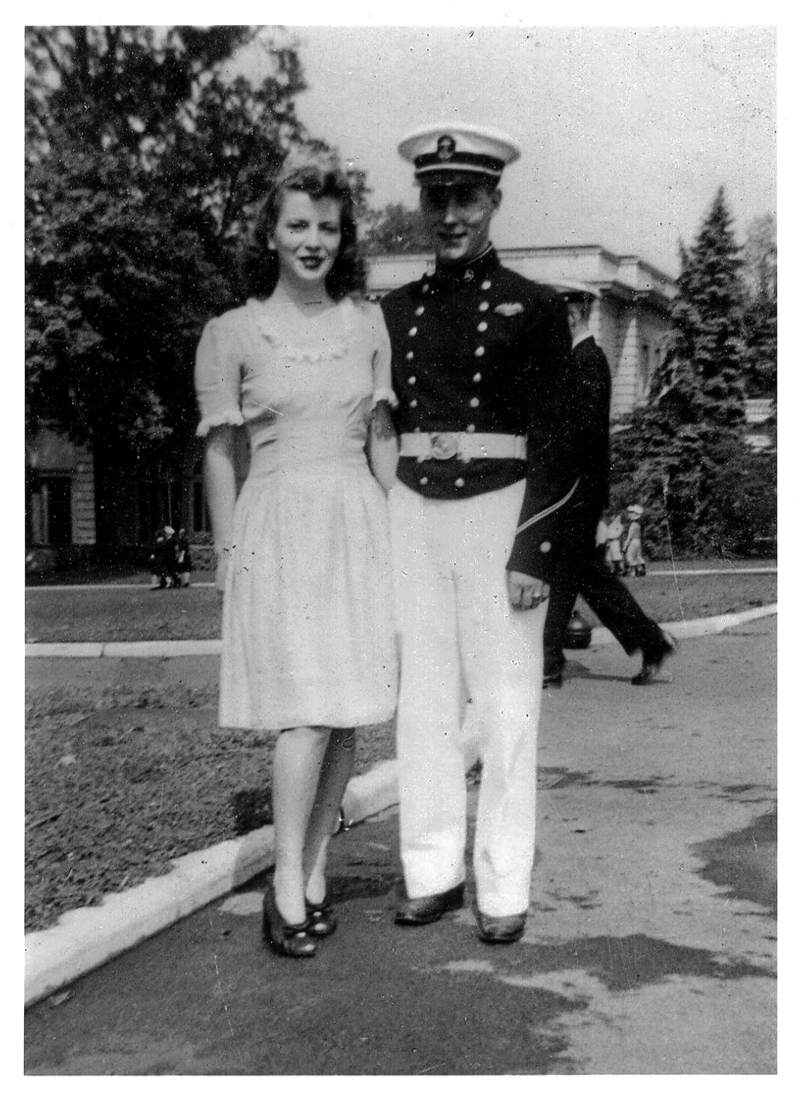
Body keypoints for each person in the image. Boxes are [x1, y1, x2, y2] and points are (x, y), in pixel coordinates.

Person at [380, 123, 583, 945]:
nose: (451, 214)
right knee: (422, 705)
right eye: (438, 198)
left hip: (500, 514)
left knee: (505, 713)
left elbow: (562, 438)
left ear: (494, 199)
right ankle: (431, 869)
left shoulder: (536, 308)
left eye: (467, 196)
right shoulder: (393, 312)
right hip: (414, 511)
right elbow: (379, 424)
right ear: (421, 203)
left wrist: (534, 548)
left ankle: (502, 882)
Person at [195, 152, 398, 959]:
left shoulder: (366, 324)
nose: (312, 240)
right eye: (297, 226)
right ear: (272, 236)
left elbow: (381, 438)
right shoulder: (234, 332)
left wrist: (403, 531)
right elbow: (220, 452)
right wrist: (225, 547)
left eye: (327, 226)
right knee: (305, 711)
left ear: (342, 237)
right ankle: (284, 883)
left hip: (358, 520)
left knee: (347, 715)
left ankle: (314, 870)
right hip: (277, 521)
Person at [541, 282, 676, 689]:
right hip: (575, 492)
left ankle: (548, 662)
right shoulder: (578, 360)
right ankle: (650, 642)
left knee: (565, 575)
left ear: (571, 315)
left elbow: (589, 439)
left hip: (575, 493)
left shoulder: (587, 361)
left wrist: (593, 503)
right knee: (586, 578)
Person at [623, 504, 646, 576]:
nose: (629, 514)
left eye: (631, 513)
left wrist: (624, 547)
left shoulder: (633, 525)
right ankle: (641, 570)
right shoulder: (638, 525)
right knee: (638, 556)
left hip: (633, 542)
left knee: (629, 557)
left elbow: (629, 537)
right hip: (638, 541)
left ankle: (634, 572)